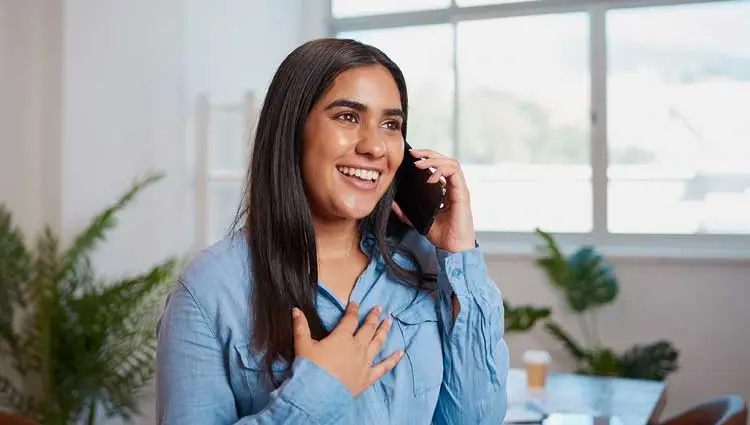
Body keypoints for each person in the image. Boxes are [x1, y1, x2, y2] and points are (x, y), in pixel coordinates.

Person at [156, 38, 509, 424]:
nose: (375, 147)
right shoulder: (212, 289)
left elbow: (474, 418)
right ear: (293, 129)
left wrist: (460, 254)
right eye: (347, 116)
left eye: (390, 124)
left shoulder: (421, 263)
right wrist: (317, 393)